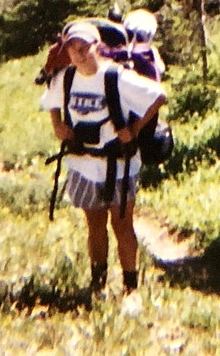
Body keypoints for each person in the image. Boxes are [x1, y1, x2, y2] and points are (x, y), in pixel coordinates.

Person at [40, 19, 166, 308]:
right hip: (82, 163)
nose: (79, 53)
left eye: (84, 47)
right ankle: (98, 287)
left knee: (122, 225)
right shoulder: (66, 78)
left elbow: (158, 96)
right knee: (94, 226)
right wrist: (57, 124)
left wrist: (134, 130)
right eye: (73, 48)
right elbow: (52, 101)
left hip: (118, 164)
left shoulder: (116, 77)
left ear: (97, 46)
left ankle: (130, 289)